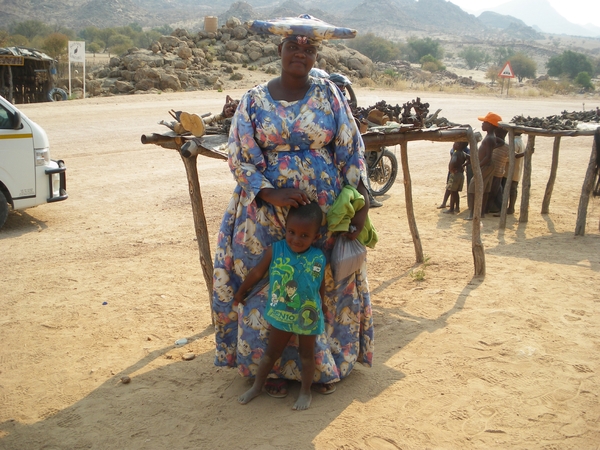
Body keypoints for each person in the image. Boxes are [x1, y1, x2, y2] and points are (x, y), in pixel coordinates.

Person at [212, 15, 373, 399]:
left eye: (309, 48)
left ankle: (320, 366)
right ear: (279, 50)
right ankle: (264, 369)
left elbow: (352, 149)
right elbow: (238, 154)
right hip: (263, 214)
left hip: (322, 212)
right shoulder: (253, 99)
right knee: (265, 282)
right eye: (293, 46)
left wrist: (360, 204)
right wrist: (268, 192)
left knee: (322, 284)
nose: (300, 53)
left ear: (316, 54)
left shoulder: (329, 94)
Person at [235, 202, 326, 410]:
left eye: (305, 235)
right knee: (271, 353)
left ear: (316, 237)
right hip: (281, 314)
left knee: (307, 355)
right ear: (285, 229)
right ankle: (257, 386)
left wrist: (323, 307)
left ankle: (305, 392)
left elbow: (319, 285)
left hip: (308, 316)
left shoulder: (318, 258)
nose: (296, 239)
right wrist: (242, 291)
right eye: (292, 232)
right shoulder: (276, 250)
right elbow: (258, 273)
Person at [465, 112, 503, 220]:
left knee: (473, 188)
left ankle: (473, 213)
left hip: (485, 165)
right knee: (485, 189)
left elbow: (488, 157)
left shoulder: (489, 138)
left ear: (490, 125)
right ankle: (481, 212)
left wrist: (477, 166)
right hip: (487, 165)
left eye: (484, 123)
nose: (482, 125)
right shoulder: (491, 137)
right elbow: (501, 143)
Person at [486, 128, 509, 214]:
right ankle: (491, 208)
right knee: (495, 191)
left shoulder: (506, 147)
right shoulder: (494, 143)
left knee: (494, 192)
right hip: (492, 172)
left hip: (497, 173)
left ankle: (493, 209)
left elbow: (514, 156)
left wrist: (526, 153)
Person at [503, 132, 527, 214]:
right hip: (517, 169)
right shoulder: (520, 141)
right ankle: (511, 207)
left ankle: (509, 208)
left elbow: (510, 157)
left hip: (510, 170)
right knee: (513, 189)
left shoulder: (514, 142)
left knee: (509, 189)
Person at [442, 142, 468, 214]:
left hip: (455, 175)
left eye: (455, 143)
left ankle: (451, 209)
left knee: (452, 192)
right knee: (455, 192)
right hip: (460, 174)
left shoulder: (456, 153)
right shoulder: (463, 153)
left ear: (458, 145)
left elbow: (452, 162)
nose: (453, 144)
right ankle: (457, 208)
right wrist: (463, 165)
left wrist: (451, 170)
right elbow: (470, 158)